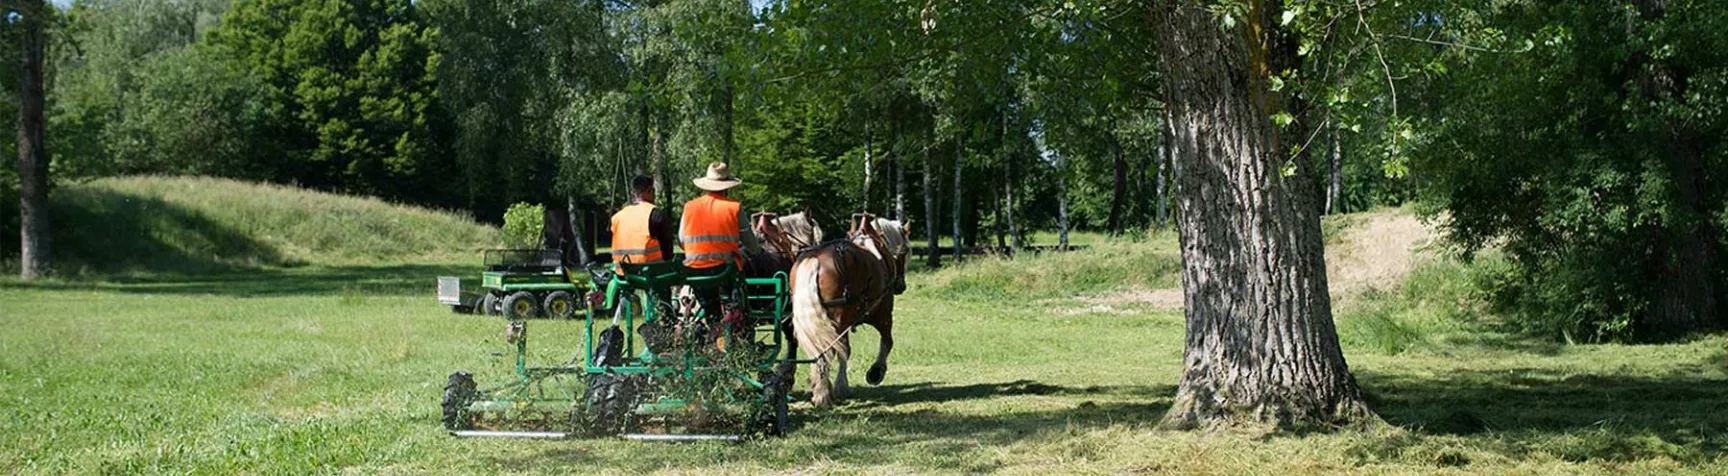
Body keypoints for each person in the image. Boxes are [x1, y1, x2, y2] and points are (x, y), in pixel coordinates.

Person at [678, 162, 764, 333]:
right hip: (726, 273)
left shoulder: (689, 207)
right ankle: (736, 330)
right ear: (727, 187)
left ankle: (713, 331)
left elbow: (681, 240)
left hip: (695, 271)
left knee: (710, 307)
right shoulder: (734, 208)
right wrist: (757, 251)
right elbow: (749, 242)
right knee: (738, 304)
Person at [609, 174, 676, 350]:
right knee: (665, 296)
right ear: (648, 191)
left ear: (633, 192)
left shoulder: (617, 217)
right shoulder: (656, 215)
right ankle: (667, 334)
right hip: (651, 275)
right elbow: (668, 253)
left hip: (623, 276)